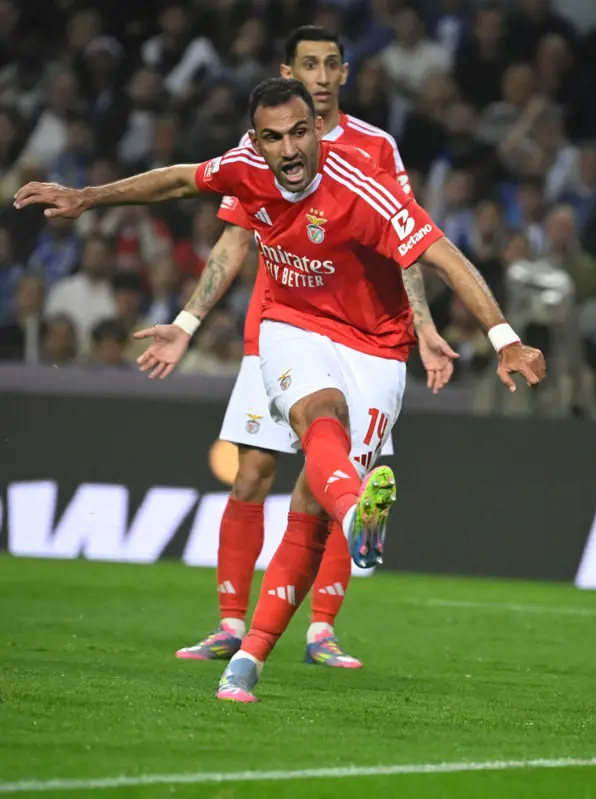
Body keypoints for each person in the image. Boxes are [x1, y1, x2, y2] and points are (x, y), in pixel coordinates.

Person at [14, 77, 546, 703]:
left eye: (300, 133)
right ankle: (357, 517)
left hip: (377, 346)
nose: (289, 150)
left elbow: (446, 256)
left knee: (309, 506)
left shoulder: (364, 193)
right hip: (291, 326)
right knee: (319, 419)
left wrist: (503, 336)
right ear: (256, 141)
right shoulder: (245, 168)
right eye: (273, 138)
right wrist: (88, 197)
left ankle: (252, 656)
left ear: (318, 129)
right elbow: (180, 179)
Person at [165, 26, 454, 670]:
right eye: (308, 66)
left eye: (331, 65)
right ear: (288, 74)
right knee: (253, 473)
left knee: (333, 478)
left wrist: (423, 325)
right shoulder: (258, 148)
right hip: (283, 324)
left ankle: (320, 626)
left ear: (345, 74)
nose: (321, 77)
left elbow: (405, 242)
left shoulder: (376, 147)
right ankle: (231, 624)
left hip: (361, 336)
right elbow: (234, 240)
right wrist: (187, 321)